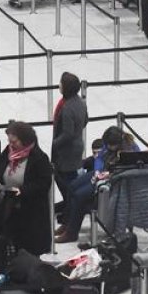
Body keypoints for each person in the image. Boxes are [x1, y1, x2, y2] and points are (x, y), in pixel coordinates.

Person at [0, 122, 53, 257]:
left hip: (30, 213)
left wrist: (23, 191)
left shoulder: (40, 158)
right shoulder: (8, 151)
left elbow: (43, 183)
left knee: (29, 250)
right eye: (9, 141)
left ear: (25, 140)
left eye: (14, 141)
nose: (11, 144)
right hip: (9, 207)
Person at [51, 71, 89, 213]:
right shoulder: (80, 102)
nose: (59, 85)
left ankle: (71, 210)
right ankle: (71, 207)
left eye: (61, 82)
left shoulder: (66, 108)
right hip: (77, 146)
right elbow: (85, 120)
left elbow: (67, 134)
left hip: (66, 151)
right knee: (72, 179)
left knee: (64, 181)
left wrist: (55, 143)